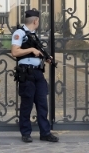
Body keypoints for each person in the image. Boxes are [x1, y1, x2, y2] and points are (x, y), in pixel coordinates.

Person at [11, 9, 59, 143]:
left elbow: (36, 52)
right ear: (35, 21)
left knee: (42, 104)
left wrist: (46, 58)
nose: (38, 22)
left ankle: (45, 132)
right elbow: (14, 52)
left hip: (38, 73)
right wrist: (32, 50)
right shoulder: (19, 33)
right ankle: (26, 133)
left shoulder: (33, 35)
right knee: (27, 104)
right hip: (26, 73)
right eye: (38, 21)